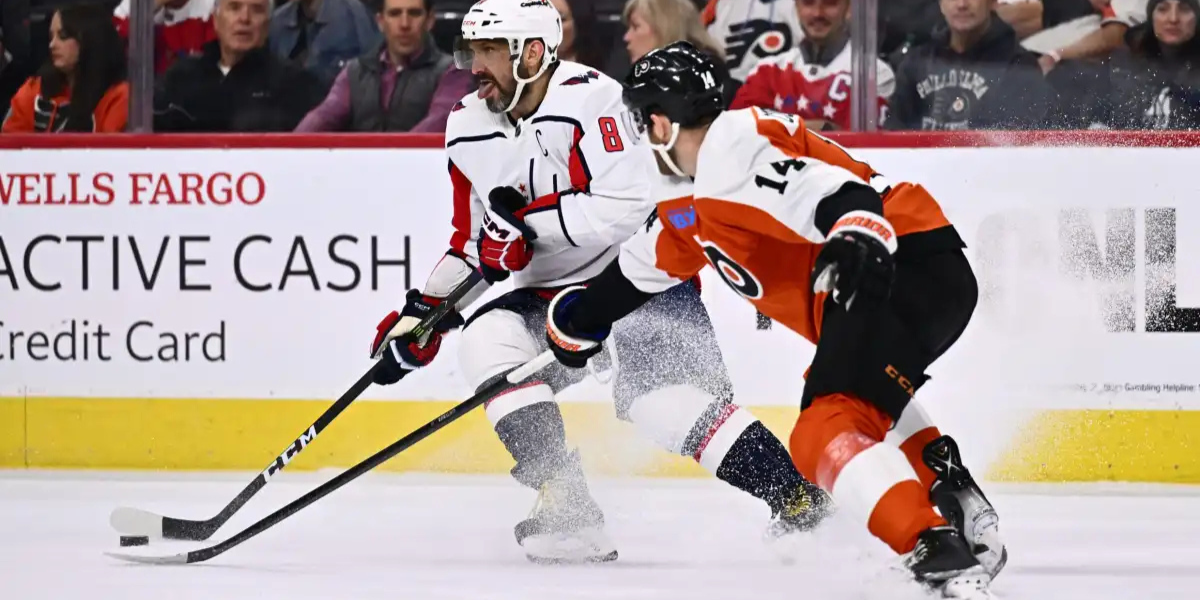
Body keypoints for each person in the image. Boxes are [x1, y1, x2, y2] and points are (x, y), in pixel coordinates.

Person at [368, 0, 829, 565]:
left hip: (633, 279)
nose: (475, 65)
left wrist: (527, 226)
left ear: (531, 53)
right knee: (485, 343)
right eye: (472, 51)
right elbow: (474, 242)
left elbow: (624, 205)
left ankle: (800, 500)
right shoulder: (466, 126)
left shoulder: (596, 99)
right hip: (544, 295)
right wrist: (425, 310)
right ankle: (565, 500)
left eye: (490, 51)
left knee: (664, 404)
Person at [541, 42, 1007, 597]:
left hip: (892, 265)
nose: (638, 136)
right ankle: (945, 483)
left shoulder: (728, 148)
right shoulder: (686, 194)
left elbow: (837, 193)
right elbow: (644, 268)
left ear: (661, 123)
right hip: (914, 268)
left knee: (821, 435)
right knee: (848, 392)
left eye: (641, 121)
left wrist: (859, 235)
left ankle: (934, 549)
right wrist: (577, 322)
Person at [295, 0, 476, 133]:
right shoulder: (355, 71)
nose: (404, 24)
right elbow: (324, 116)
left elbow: (440, 122)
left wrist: (387, 157)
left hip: (422, 176)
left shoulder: (453, 72)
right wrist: (284, 148)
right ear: (381, 22)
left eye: (414, 13)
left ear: (429, 21)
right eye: (395, 14)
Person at [154, 0, 324, 132]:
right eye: (234, 7)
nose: (244, 18)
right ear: (216, 20)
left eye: (256, 10)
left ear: (267, 24)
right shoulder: (180, 78)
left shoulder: (296, 85)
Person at [885, 0, 1055, 130]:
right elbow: (893, 140)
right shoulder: (916, 64)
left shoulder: (1019, 67)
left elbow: (1017, 155)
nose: (961, 4)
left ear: (993, 2)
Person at [730, 0, 895, 131]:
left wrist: (775, 127)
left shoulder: (874, 73)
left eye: (830, 3)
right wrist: (824, 127)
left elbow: (859, 147)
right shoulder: (766, 71)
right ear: (796, 7)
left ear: (849, 8)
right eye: (808, 3)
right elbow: (738, 132)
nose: (817, 13)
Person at [2, 3, 128, 133]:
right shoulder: (33, 89)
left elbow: (112, 150)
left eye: (63, 36)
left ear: (90, 40)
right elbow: (10, 143)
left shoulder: (118, 97)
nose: (52, 45)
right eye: (51, 37)